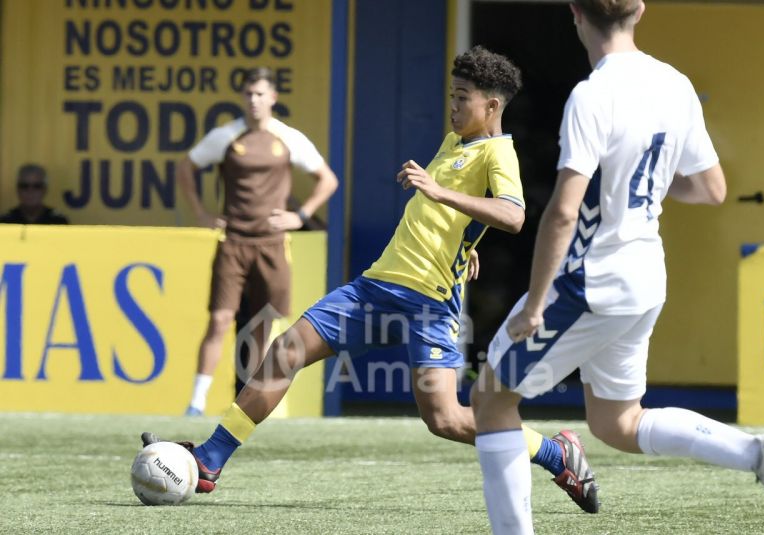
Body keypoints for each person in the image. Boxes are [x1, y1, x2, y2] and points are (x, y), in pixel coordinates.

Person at [143, 46, 599, 513]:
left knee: (444, 419)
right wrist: (468, 242)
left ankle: (554, 452)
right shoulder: (455, 141)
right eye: (451, 95)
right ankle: (210, 460)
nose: (453, 106)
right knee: (285, 351)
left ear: (492, 106)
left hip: (429, 300)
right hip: (378, 285)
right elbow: (456, 215)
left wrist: (442, 197)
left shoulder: (499, 152)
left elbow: (514, 214)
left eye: (463, 98)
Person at [469, 1, 764, 533]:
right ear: (640, 11)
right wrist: (638, 184)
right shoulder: (674, 83)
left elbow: (562, 211)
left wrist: (535, 302)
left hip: (590, 284)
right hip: (644, 280)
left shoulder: (592, 94)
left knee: (490, 400)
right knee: (618, 423)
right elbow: (711, 188)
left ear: (575, 13)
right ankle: (762, 452)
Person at [178, 67, 340, 416]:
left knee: (263, 325)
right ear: (242, 98)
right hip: (233, 241)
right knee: (220, 319)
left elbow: (327, 180)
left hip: (272, 244)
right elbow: (186, 167)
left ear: (273, 98)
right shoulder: (226, 136)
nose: (254, 101)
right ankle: (196, 402)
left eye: (260, 94)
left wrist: (301, 216)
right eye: (249, 94)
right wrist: (202, 214)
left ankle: (247, 403)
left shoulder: (287, 138)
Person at [0, 164, 69, 224]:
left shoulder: (58, 221)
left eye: (37, 186)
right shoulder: (5, 221)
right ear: (17, 189)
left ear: (45, 190)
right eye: (24, 186)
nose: (30, 191)